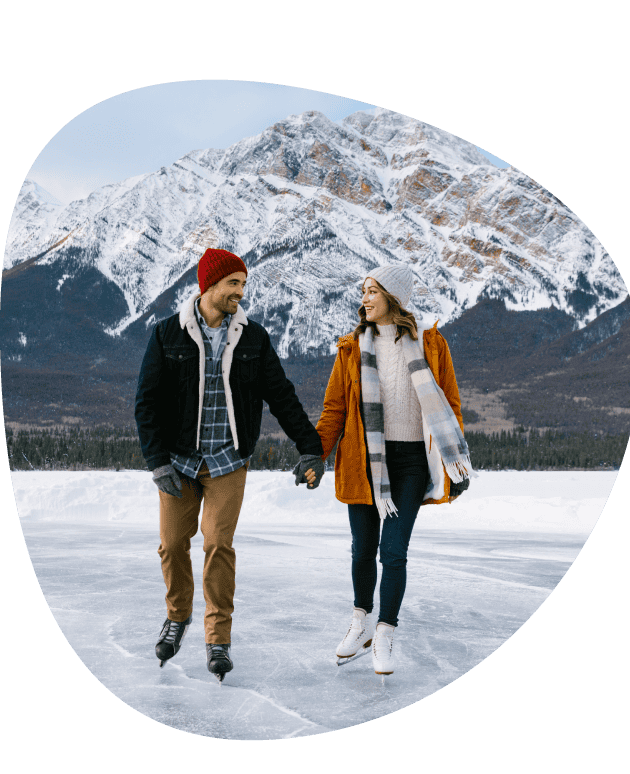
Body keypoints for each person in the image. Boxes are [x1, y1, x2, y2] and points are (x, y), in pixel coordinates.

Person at [135, 248, 324, 681]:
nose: (241, 291)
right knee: (171, 543)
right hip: (179, 464)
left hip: (228, 460)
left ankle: (217, 639)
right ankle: (178, 614)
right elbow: (145, 402)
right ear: (210, 286)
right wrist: (157, 462)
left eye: (243, 283)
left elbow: (282, 395)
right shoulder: (167, 335)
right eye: (233, 283)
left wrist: (310, 448)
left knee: (218, 544)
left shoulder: (253, 338)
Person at [311, 264, 474, 675]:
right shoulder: (350, 348)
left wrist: (455, 461)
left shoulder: (432, 345)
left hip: (412, 463)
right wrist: (315, 452)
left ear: (393, 298)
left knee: (393, 551)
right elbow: (335, 410)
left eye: (371, 292)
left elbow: (449, 404)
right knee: (362, 550)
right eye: (363, 292)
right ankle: (360, 622)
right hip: (362, 462)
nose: (364, 299)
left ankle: (385, 632)